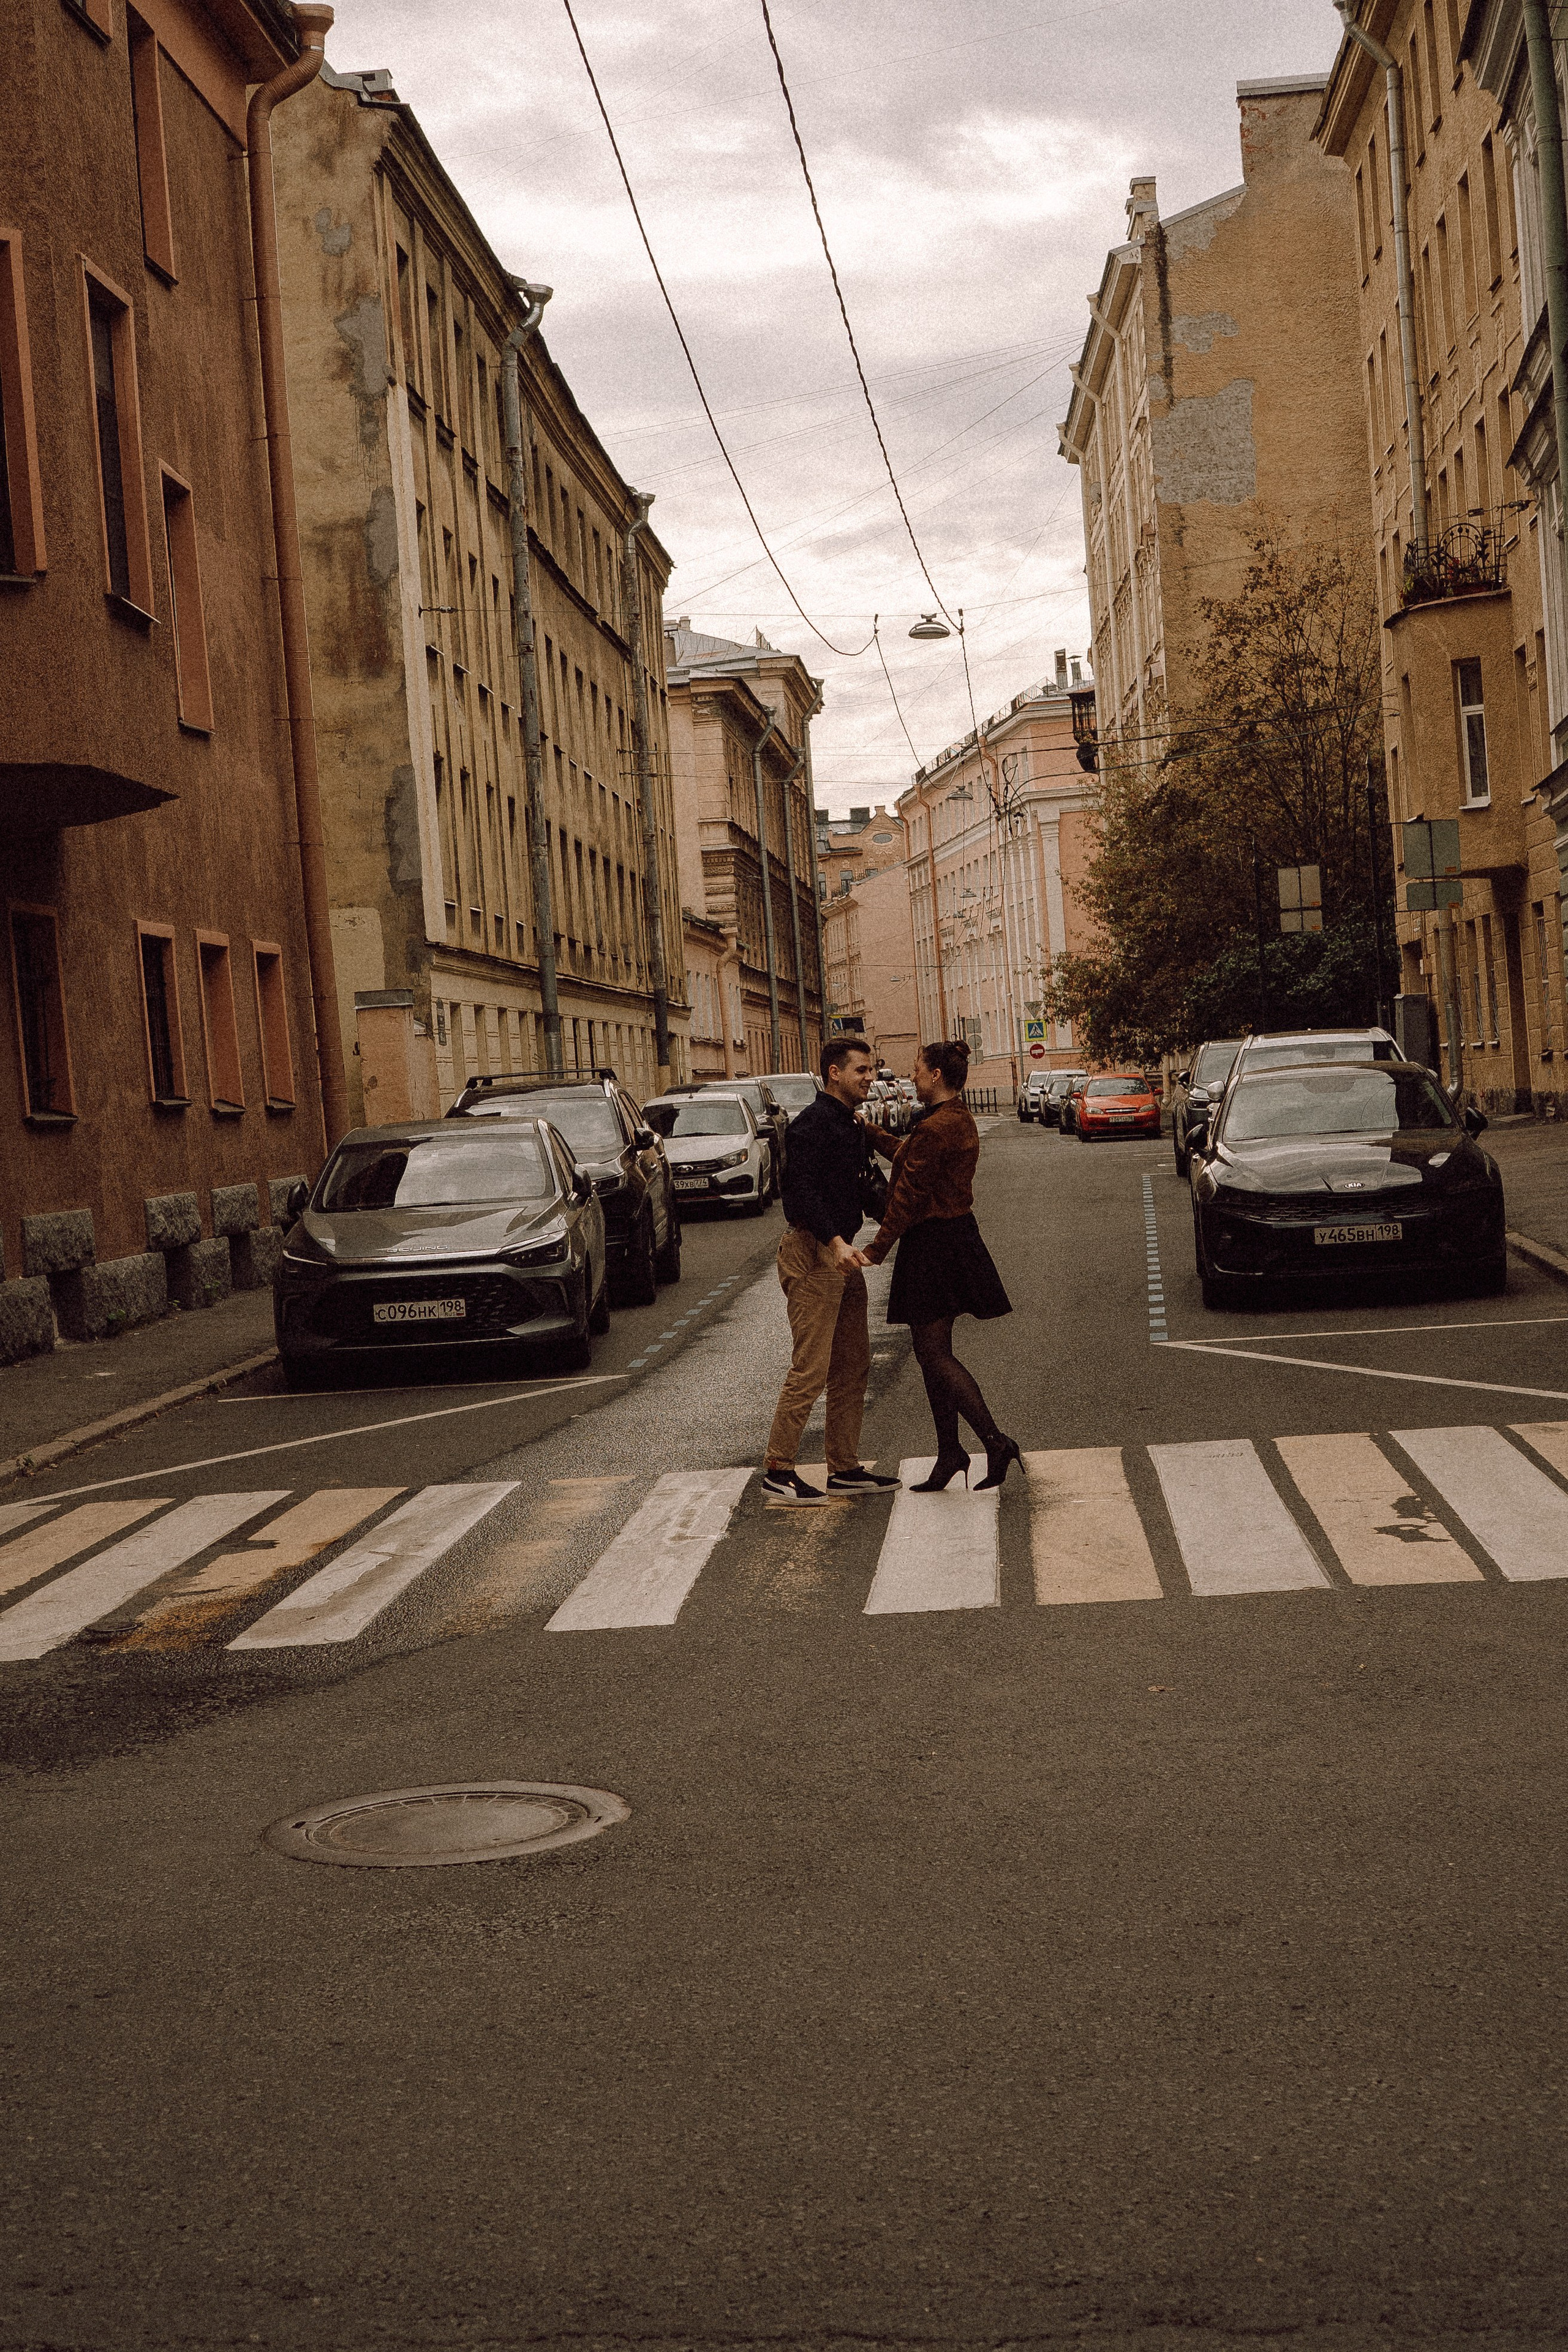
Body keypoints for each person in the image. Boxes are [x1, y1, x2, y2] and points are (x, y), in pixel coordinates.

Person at [861, 1038, 1017, 1491]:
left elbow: (908, 1194)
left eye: (917, 1068)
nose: (911, 1075)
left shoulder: (937, 1127)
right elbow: (909, 1160)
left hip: (935, 1245)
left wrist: (876, 1250)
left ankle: (995, 1441)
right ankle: (950, 1452)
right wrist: (868, 1132)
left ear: (935, 1076)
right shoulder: (951, 1118)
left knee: (935, 1355)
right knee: (932, 1356)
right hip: (951, 1240)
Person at [760, 1036, 903, 1507]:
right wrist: (837, 1241)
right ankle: (779, 1468)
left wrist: (907, 1221)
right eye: (861, 1070)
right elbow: (800, 1195)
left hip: (839, 1259)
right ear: (834, 1073)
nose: (870, 1078)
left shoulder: (849, 1125)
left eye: (871, 1070)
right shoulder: (811, 1127)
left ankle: (843, 1467)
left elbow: (864, 1188)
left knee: (853, 1366)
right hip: (814, 1252)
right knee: (812, 1369)